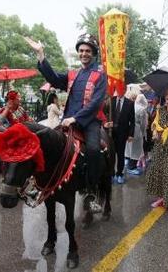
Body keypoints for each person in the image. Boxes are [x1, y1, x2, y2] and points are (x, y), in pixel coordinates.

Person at [24, 34, 107, 209]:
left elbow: (96, 103)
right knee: (46, 145)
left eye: (88, 51)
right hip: (67, 120)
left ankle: (91, 191)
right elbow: (53, 78)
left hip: (89, 121)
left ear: (94, 53)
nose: (84, 53)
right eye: (81, 50)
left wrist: (76, 118)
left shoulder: (100, 75)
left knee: (93, 150)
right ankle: (38, 185)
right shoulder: (73, 74)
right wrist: (41, 55)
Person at [105, 88, 135, 184]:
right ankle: (111, 174)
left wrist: (131, 134)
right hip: (110, 133)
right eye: (118, 88)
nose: (119, 91)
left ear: (125, 90)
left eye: (121, 88)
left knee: (121, 154)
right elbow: (105, 114)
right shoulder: (111, 100)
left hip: (123, 133)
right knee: (111, 154)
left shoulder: (130, 103)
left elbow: (132, 121)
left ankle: (120, 174)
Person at [125, 94, 148, 176]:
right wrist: (143, 132)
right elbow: (143, 123)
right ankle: (131, 167)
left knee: (128, 147)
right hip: (137, 130)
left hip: (128, 128)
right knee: (136, 149)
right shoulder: (142, 109)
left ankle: (127, 162)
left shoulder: (131, 106)